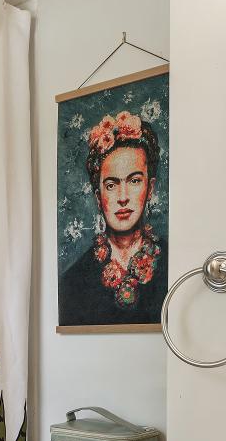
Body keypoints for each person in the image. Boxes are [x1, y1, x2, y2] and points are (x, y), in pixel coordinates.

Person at [59, 110, 167, 326]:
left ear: (150, 188)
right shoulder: (73, 282)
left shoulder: (173, 264)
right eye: (111, 185)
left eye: (134, 181)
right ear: (99, 197)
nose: (123, 198)